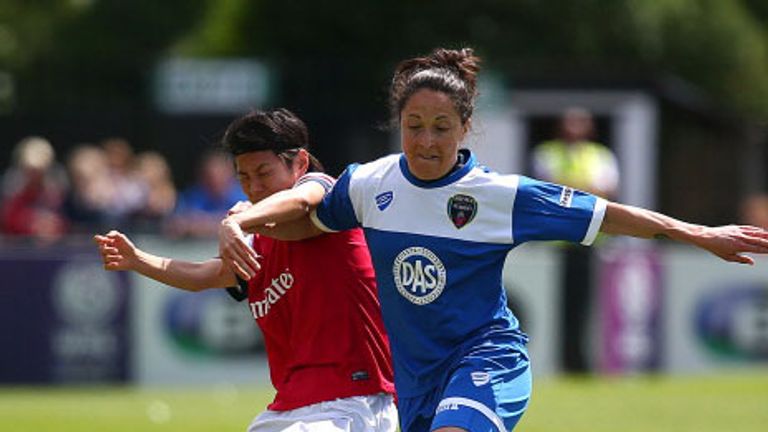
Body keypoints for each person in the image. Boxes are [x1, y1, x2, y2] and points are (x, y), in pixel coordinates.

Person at [220, 48, 768, 432]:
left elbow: (606, 214)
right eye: (413, 124)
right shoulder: (371, 183)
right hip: (415, 379)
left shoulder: (498, 195)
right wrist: (241, 219)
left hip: (485, 359)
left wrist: (698, 233)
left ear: (465, 127)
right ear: (398, 124)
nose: (425, 140)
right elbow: (305, 219)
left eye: (440, 126)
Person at [95, 108, 397, 432]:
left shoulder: (324, 193)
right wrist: (138, 259)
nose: (253, 187)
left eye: (264, 173)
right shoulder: (258, 238)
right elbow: (203, 276)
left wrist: (236, 221)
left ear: (300, 163)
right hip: (289, 405)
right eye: (244, 177)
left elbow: (300, 203)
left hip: (353, 399)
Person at [531, 107, 620, 372]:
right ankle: (557, 361)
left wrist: (566, 187)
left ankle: (580, 364)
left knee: (585, 309)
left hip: (588, 242)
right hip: (554, 245)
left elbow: (606, 191)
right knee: (554, 307)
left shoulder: (600, 156)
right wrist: (583, 189)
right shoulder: (547, 152)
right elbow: (543, 188)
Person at [168, 150, 247, 238]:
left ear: (230, 174)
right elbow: (176, 223)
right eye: (209, 176)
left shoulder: (245, 195)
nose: (214, 181)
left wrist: (203, 224)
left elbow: (246, 223)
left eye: (219, 175)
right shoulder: (194, 195)